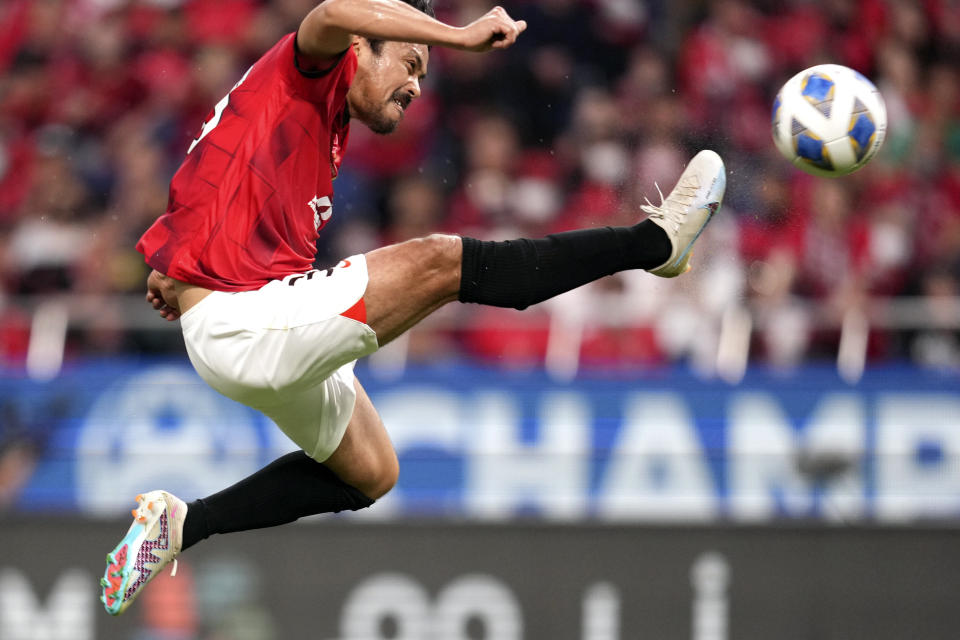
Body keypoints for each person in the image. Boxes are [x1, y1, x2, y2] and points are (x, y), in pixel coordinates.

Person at [100, 0, 726, 616]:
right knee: (440, 261)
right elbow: (332, 13)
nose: (416, 86)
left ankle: (183, 524)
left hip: (252, 326)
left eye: (424, 73)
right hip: (244, 321)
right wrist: (457, 35)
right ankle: (652, 244)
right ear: (358, 48)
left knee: (370, 472)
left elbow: (221, 171)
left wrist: (176, 266)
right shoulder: (307, 65)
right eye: (409, 63)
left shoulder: (305, 112)